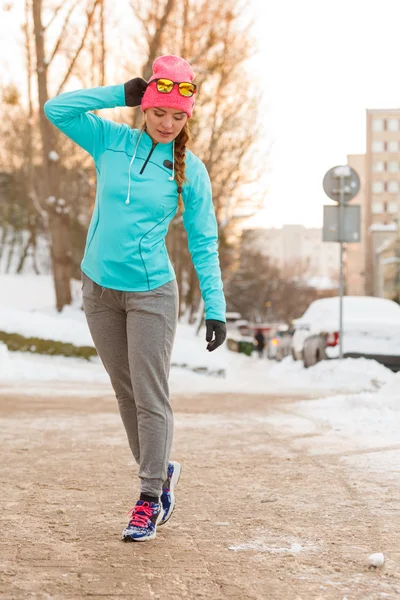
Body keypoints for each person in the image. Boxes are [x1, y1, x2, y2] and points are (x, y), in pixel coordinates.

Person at [44, 55, 227, 542]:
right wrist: (119, 93)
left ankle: (149, 498)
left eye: (178, 116)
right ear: (145, 107)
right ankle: (161, 472)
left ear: (188, 118)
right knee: (126, 394)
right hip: (98, 289)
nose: (168, 124)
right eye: (159, 111)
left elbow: (203, 241)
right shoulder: (111, 141)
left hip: (151, 295)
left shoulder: (191, 170)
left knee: (150, 396)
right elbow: (56, 108)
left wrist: (215, 306)